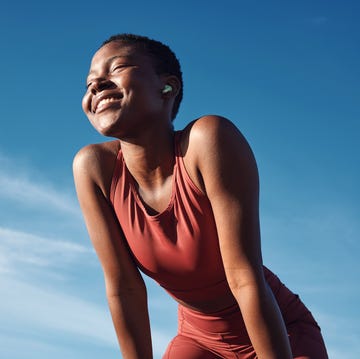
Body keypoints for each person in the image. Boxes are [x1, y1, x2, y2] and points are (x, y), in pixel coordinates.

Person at [73, 33, 328, 359]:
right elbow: (125, 288)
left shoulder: (208, 141)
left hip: (279, 332)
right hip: (199, 341)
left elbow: (244, 279)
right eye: (89, 82)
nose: (97, 85)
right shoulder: (93, 169)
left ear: (168, 88)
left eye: (118, 67)